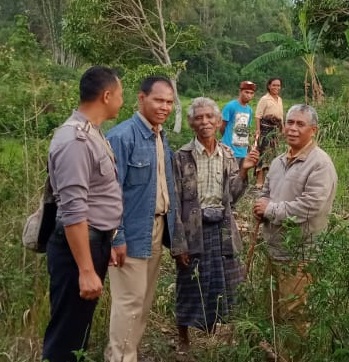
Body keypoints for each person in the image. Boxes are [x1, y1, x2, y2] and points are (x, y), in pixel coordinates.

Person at [42, 66, 124, 362]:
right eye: (120, 95)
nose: (121, 101)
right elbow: (73, 210)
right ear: (106, 96)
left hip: (93, 243)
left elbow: (98, 198)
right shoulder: (75, 141)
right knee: (67, 335)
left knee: (78, 331)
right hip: (77, 250)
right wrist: (87, 270)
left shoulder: (93, 135)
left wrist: (108, 240)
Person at [171, 97, 259, 353]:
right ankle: (184, 339)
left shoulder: (228, 154)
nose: (205, 122)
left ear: (219, 122)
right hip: (193, 230)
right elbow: (175, 203)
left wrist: (244, 171)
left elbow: (232, 195)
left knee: (226, 282)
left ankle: (217, 333)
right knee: (189, 283)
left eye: (210, 117)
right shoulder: (181, 157)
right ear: (191, 123)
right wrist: (179, 244)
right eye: (198, 118)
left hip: (221, 228)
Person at [253, 104, 337, 360]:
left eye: (300, 124)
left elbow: (310, 206)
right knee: (274, 313)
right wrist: (260, 204)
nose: (292, 128)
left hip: (300, 255)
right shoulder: (278, 161)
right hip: (274, 249)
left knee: (295, 317)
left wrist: (270, 209)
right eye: (289, 122)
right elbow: (266, 192)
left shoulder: (319, 164)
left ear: (313, 130)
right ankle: (276, 354)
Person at [106, 76, 176, 362]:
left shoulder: (159, 136)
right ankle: (120, 357)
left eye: (170, 102)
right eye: (159, 100)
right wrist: (116, 237)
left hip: (156, 229)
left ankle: (127, 353)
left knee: (143, 303)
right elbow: (109, 195)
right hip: (130, 234)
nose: (164, 107)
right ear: (141, 98)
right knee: (129, 303)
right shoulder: (122, 137)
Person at [255, 77, 284, 188]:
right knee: (262, 154)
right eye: (274, 85)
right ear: (269, 86)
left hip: (275, 131)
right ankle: (259, 181)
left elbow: (281, 116)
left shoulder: (279, 99)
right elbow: (258, 116)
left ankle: (270, 182)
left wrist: (283, 129)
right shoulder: (264, 99)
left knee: (273, 155)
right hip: (265, 130)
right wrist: (258, 131)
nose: (276, 87)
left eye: (278, 85)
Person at [220, 81, 257, 168]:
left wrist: (248, 147)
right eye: (246, 92)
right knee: (229, 177)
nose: (249, 95)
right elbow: (222, 127)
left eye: (251, 93)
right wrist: (227, 140)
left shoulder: (250, 110)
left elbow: (246, 129)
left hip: (243, 151)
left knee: (241, 178)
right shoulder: (230, 106)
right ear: (240, 92)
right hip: (230, 151)